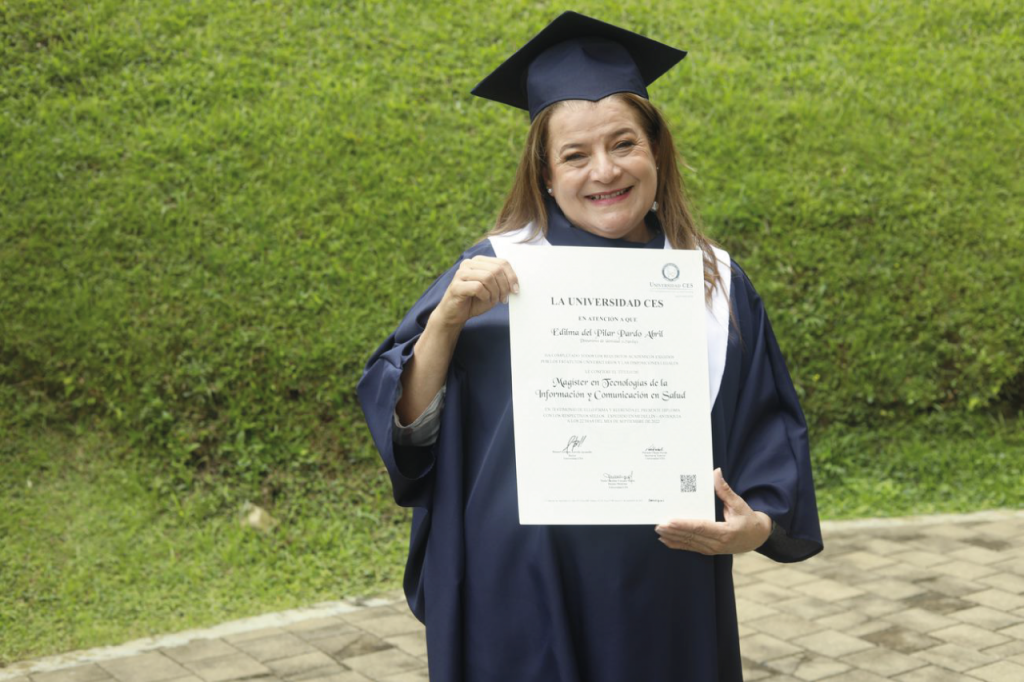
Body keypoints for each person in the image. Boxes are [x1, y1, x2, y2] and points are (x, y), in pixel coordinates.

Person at [358, 12, 823, 681]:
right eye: (575, 155)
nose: (604, 170)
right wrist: (446, 321)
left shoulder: (715, 284)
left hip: (664, 592)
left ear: (656, 150)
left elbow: (768, 441)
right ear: (545, 174)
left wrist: (753, 529)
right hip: (518, 594)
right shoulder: (494, 271)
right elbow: (407, 427)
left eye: (623, 143)